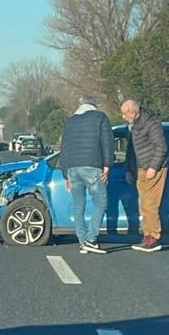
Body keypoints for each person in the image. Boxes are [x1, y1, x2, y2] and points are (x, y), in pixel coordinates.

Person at [60, 95, 115, 254]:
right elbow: (107, 142)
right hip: (92, 165)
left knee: (79, 206)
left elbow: (64, 147)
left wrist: (66, 175)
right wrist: (107, 165)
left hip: (72, 168)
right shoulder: (100, 117)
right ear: (94, 105)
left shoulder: (70, 121)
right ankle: (91, 239)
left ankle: (82, 240)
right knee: (100, 202)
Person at [121, 99, 168, 252]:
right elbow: (131, 150)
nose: (123, 117)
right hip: (140, 168)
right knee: (144, 204)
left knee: (150, 204)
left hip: (153, 168)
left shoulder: (152, 124)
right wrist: (129, 169)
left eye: (124, 114)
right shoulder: (133, 126)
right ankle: (147, 235)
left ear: (133, 113)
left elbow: (161, 147)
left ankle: (153, 237)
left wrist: (153, 167)